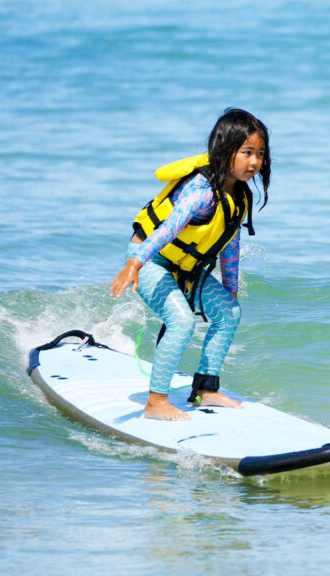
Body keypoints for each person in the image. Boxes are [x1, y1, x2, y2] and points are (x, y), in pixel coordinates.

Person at [110, 108, 270, 421]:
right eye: (247, 152)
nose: (254, 162)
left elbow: (230, 245)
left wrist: (231, 290)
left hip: (186, 268)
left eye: (260, 154)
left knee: (228, 312)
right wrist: (135, 263)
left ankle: (205, 390)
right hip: (152, 259)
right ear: (227, 151)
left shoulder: (240, 196)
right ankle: (156, 402)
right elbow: (167, 230)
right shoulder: (201, 191)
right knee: (181, 321)